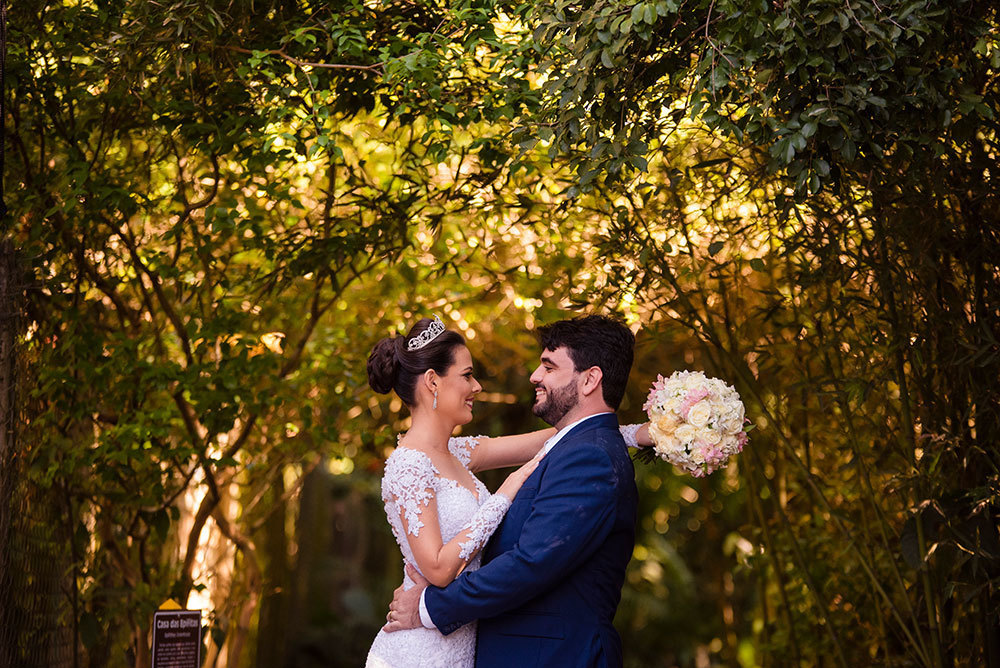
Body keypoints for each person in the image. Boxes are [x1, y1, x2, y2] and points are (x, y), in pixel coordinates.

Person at [381, 314, 646, 668]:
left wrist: (629, 433)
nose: (477, 386)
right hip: (429, 640)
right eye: (467, 375)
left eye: (548, 367)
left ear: (590, 379)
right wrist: (503, 494)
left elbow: (562, 436)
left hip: (464, 632)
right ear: (432, 382)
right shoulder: (410, 464)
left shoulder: (459, 453)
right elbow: (439, 569)